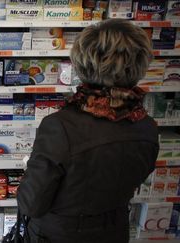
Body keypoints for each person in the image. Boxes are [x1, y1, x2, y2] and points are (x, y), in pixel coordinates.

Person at [17, 19, 159, 243]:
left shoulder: (60, 126)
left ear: (82, 62)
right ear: (141, 64)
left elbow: (31, 204)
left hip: (59, 236)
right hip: (115, 232)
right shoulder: (147, 127)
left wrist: (30, 170)